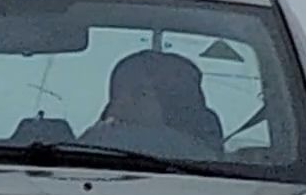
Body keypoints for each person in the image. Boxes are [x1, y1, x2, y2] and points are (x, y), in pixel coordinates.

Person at [78, 49, 225, 157]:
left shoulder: (103, 143)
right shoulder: (210, 160)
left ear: (173, 103)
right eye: (117, 95)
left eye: (139, 94)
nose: (120, 104)